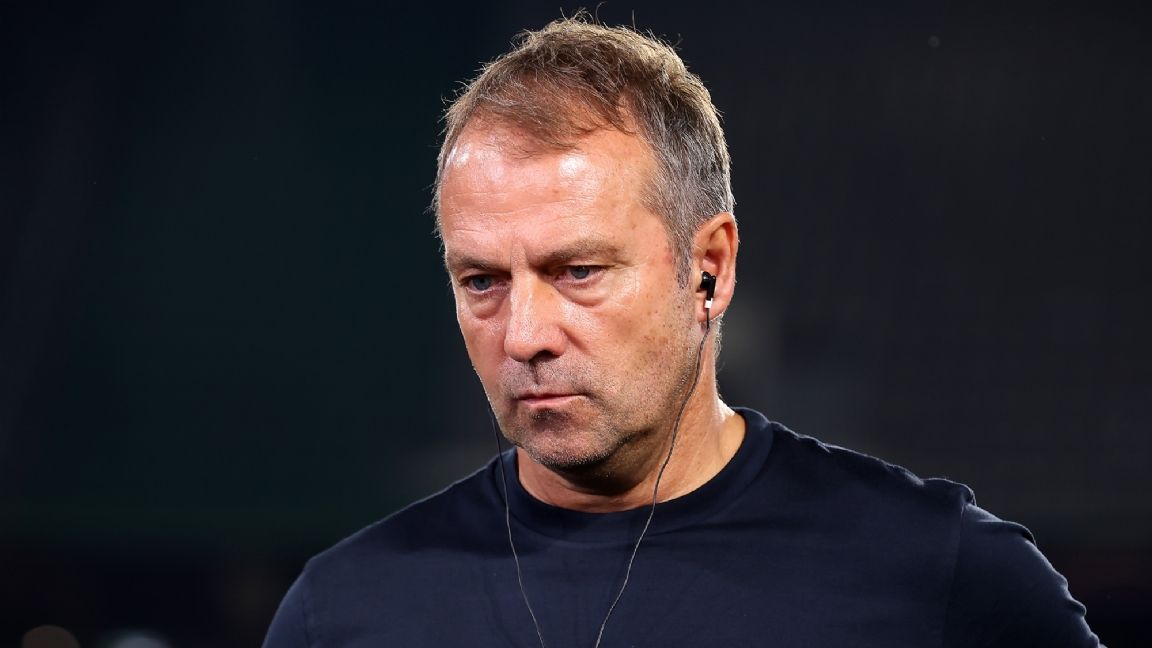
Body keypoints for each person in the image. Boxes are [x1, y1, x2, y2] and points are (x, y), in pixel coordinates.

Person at [263, 17, 1100, 648]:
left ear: (710, 268)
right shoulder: (342, 614)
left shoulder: (936, 578)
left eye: (577, 271)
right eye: (482, 281)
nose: (524, 336)